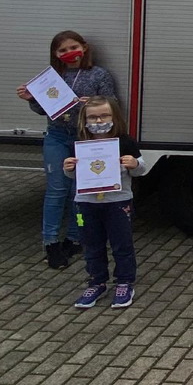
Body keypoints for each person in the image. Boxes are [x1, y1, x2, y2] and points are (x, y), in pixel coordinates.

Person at [15, 30, 117, 269]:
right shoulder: (51, 79)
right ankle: (50, 243)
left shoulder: (99, 74)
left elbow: (113, 103)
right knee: (56, 191)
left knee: (78, 193)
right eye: (62, 51)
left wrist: (92, 103)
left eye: (73, 48)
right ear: (56, 55)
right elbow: (44, 110)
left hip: (86, 138)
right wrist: (31, 98)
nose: (70, 54)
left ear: (84, 47)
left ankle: (74, 237)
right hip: (57, 137)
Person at [63, 96, 146, 309]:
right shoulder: (80, 143)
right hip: (86, 203)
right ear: (84, 120)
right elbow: (74, 177)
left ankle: (124, 282)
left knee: (122, 244)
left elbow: (141, 169)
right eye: (93, 117)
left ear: (114, 116)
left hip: (118, 202)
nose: (99, 121)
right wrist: (68, 168)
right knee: (91, 245)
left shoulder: (125, 141)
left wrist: (134, 163)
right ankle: (97, 282)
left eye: (104, 116)